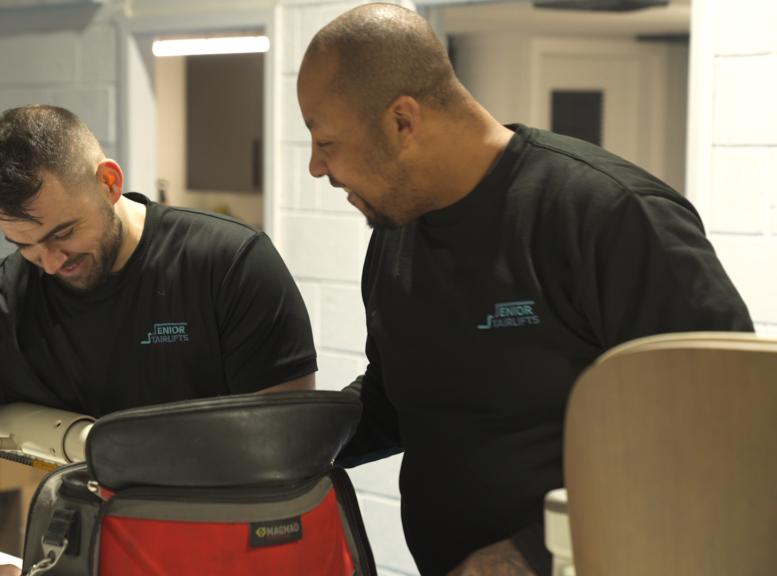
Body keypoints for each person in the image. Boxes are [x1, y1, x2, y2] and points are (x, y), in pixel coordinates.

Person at [296, 4, 753, 576]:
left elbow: (728, 423)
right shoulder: (397, 234)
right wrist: (279, 444)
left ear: (402, 122)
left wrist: (531, 554)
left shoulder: (609, 214)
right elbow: (397, 402)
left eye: (326, 141)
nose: (317, 167)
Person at [0, 105, 317, 576]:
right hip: (82, 557)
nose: (52, 262)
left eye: (65, 233)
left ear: (109, 182)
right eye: (25, 245)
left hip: (229, 557)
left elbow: (286, 455)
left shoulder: (228, 265)